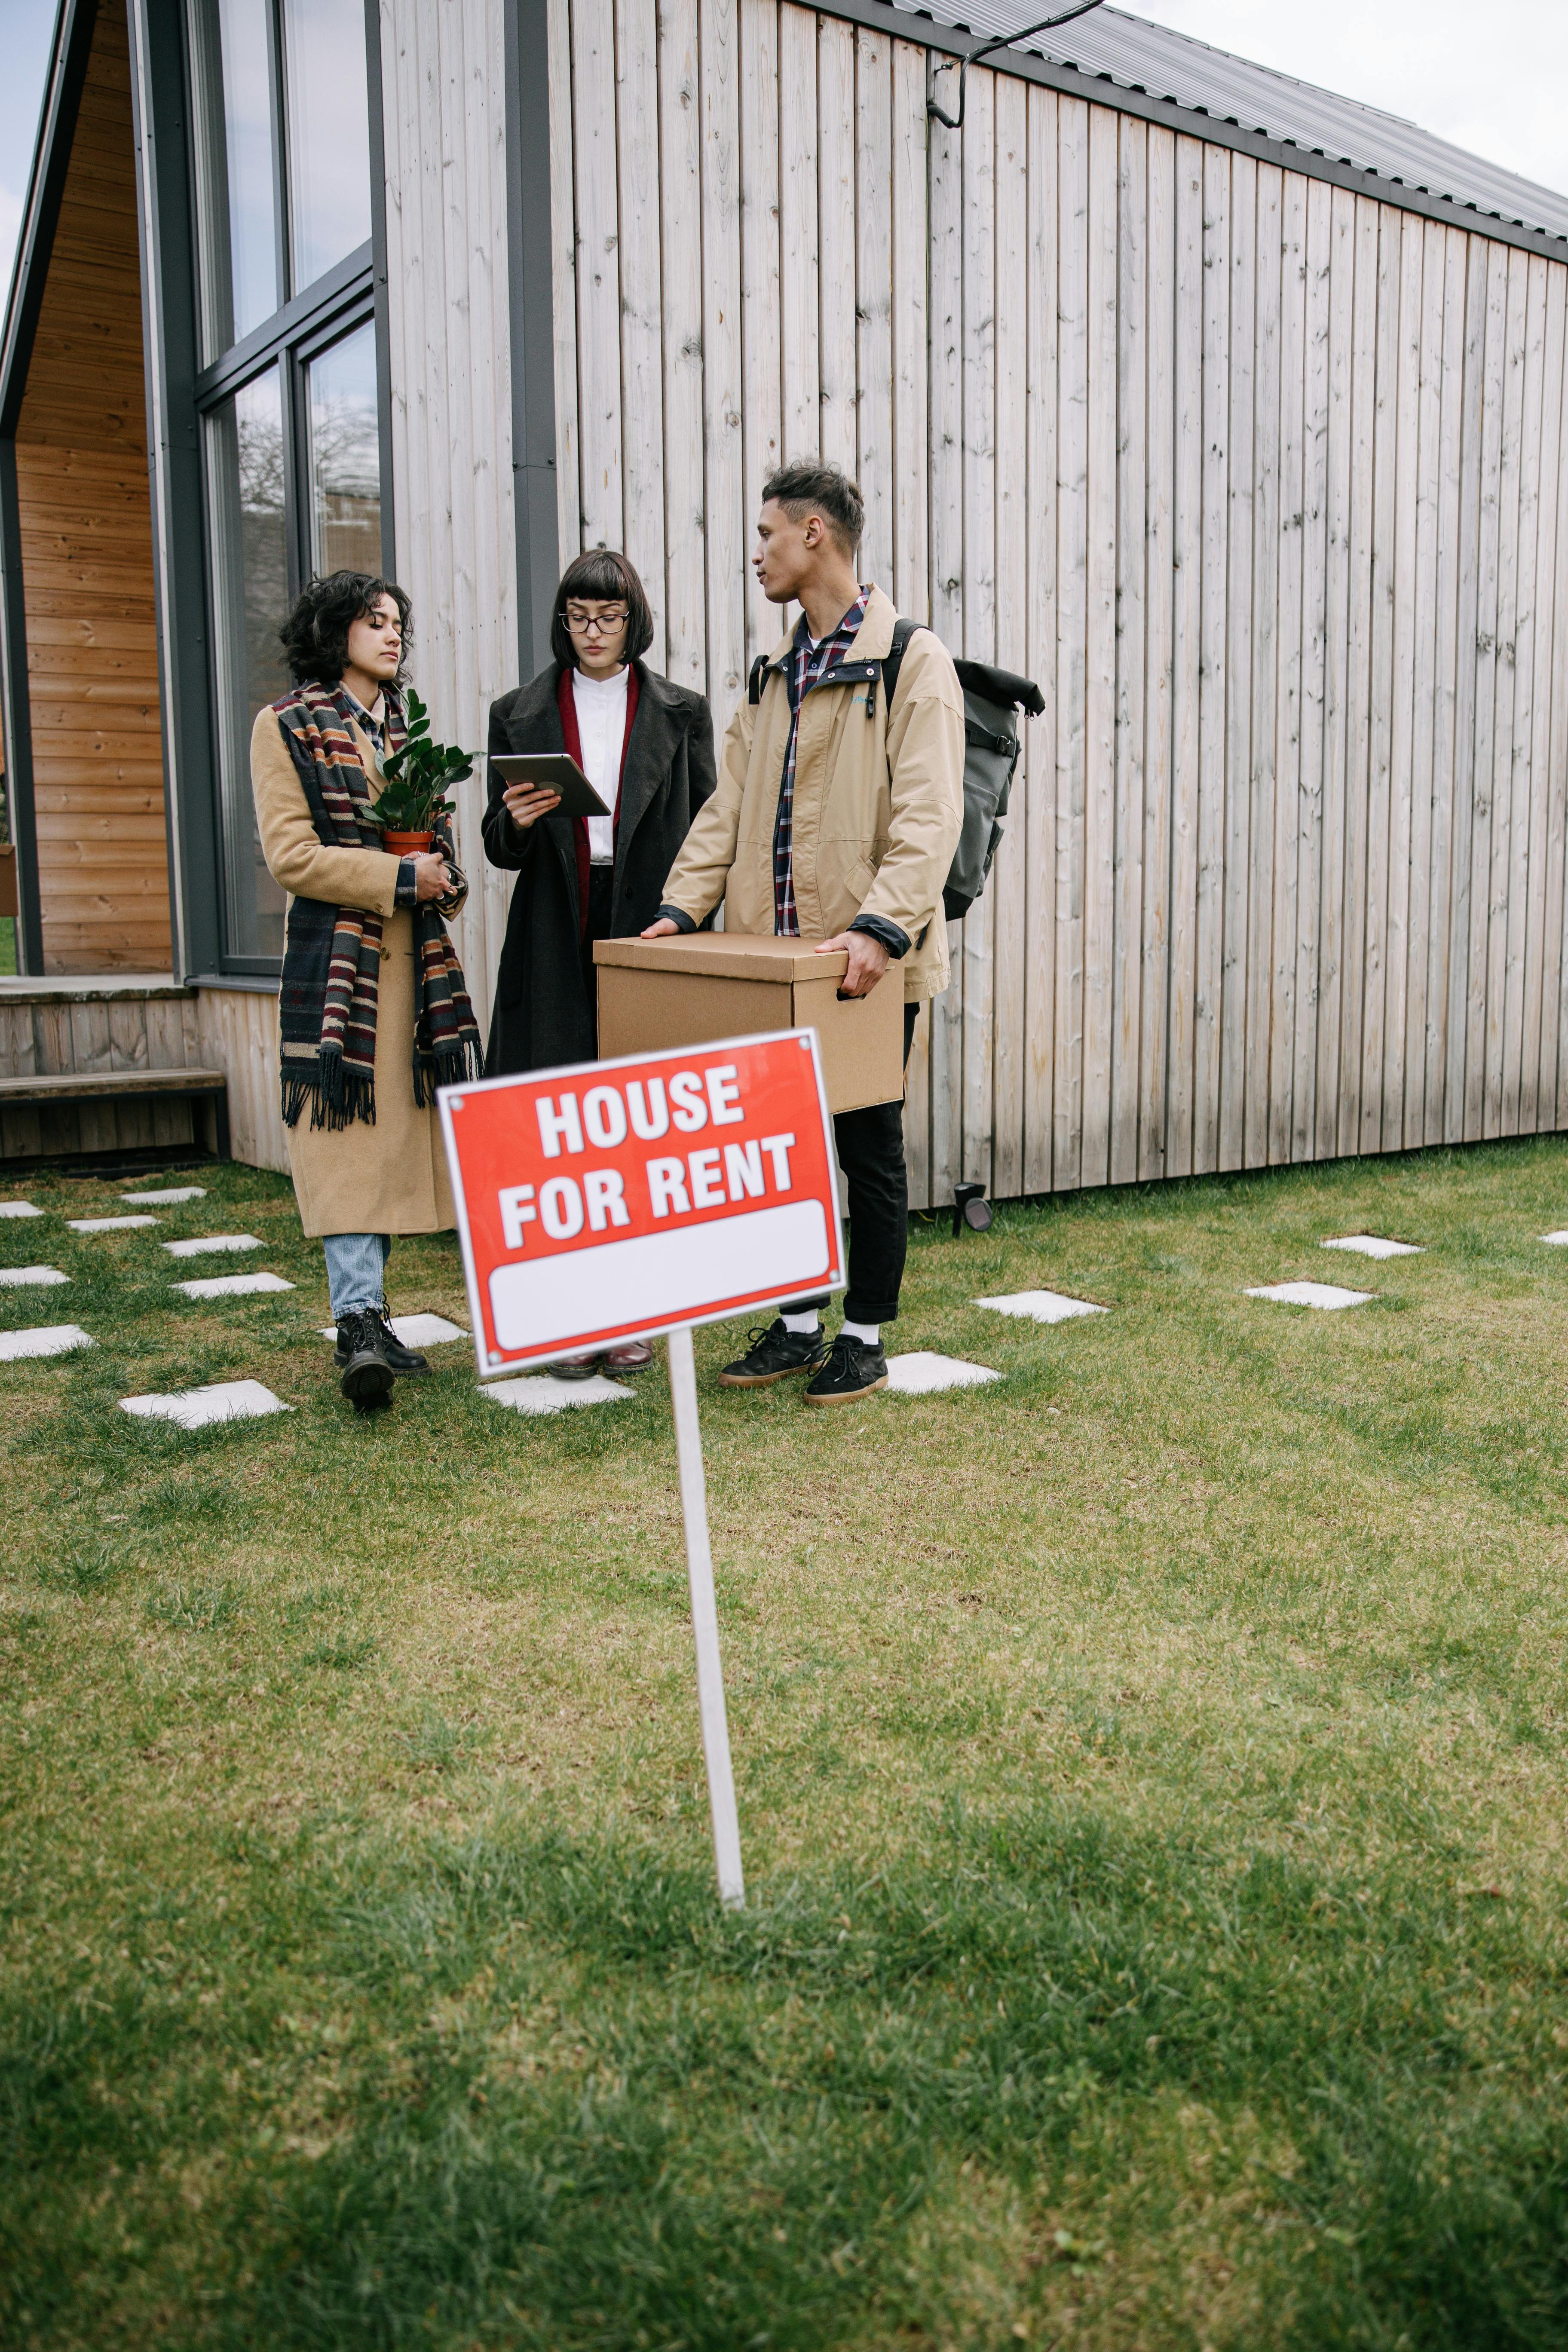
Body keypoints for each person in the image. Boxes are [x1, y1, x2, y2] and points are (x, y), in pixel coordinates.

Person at [646, 460, 965, 1405]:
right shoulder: (776, 672)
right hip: (772, 963)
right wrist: (678, 910)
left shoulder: (913, 659)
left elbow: (930, 814)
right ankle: (795, 1324)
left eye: (768, 535)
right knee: (777, 1147)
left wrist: (881, 928)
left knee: (865, 1144)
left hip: (863, 960)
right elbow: (727, 808)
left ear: (815, 534)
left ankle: (863, 1335)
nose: (759, 553)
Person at [252, 571, 483, 1412]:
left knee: (386, 1142)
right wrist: (399, 875)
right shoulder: (285, 727)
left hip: (417, 978)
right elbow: (292, 856)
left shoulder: (410, 736)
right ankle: (356, 1321)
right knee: (346, 1138)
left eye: (397, 623)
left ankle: (372, 1317)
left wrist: (444, 880)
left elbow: (447, 868)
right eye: (373, 621)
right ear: (331, 630)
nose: (391, 635)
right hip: (339, 974)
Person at [484, 547, 717, 1378]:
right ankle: (570, 1319)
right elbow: (498, 847)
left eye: (609, 616)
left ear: (634, 621)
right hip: (553, 925)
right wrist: (514, 819)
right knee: (559, 1121)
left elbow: (707, 833)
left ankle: (629, 1313)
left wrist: (685, 924)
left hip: (646, 925)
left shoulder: (682, 711)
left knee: (634, 1119)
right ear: (562, 620)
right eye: (579, 615)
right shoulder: (515, 712)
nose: (593, 630)